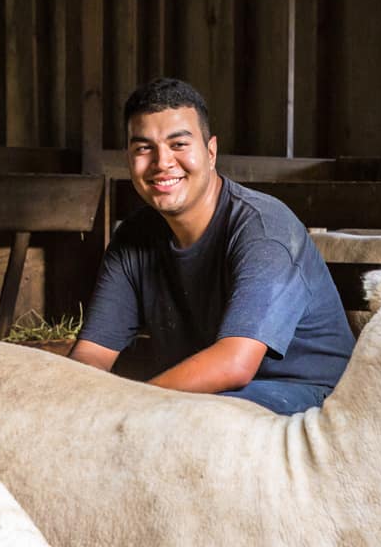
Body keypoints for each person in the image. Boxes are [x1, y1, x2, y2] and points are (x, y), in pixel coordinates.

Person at [68, 77, 353, 414]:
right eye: (144, 148)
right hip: (211, 400)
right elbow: (92, 354)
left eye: (179, 145)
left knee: (185, 425)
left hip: (313, 399)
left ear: (211, 151)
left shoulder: (262, 229)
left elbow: (235, 363)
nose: (162, 162)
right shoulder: (133, 237)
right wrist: (75, 403)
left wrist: (132, 407)